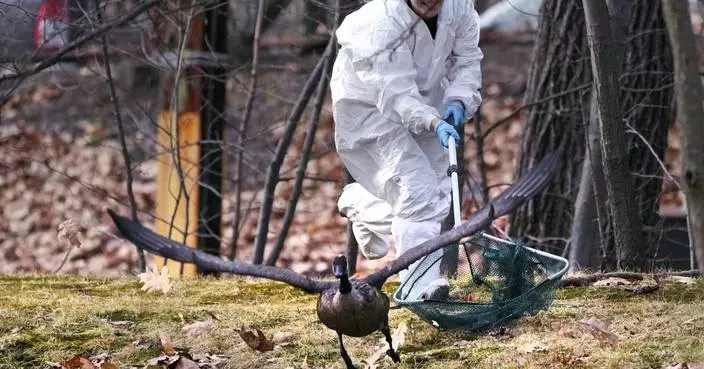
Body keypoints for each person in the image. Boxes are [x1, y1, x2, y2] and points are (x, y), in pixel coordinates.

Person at [330, 0, 483, 301]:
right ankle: (417, 288)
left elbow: (466, 60)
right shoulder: (382, 24)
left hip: (427, 102)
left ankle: (364, 204)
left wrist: (459, 100)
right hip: (369, 109)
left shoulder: (460, 8)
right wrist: (431, 121)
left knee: (436, 197)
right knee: (417, 190)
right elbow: (394, 94)